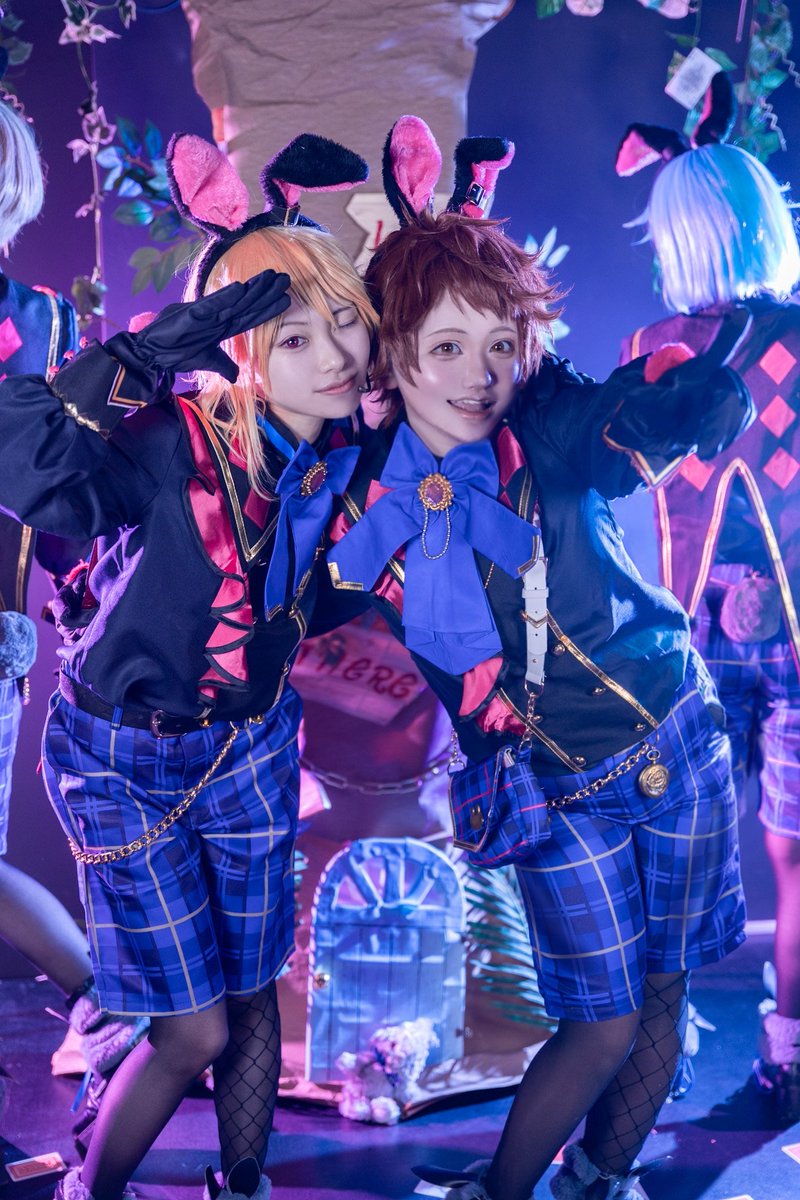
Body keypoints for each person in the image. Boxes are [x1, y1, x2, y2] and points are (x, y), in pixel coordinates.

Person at [326, 115, 752, 1200]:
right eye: (446, 349)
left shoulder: (551, 416)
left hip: (673, 730)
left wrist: (679, 396)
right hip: (553, 784)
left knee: (663, 994)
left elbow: (631, 424)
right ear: (396, 355)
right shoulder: (365, 493)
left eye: (498, 344)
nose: (479, 376)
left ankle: (595, 1180)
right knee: (599, 1020)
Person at [0, 130, 377, 1200]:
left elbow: (311, 597)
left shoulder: (350, 453)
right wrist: (151, 352)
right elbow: (26, 461)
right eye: (296, 335)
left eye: (345, 320)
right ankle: (90, 1188)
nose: (335, 354)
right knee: (192, 1029)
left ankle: (241, 1184)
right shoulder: (173, 436)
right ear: (242, 347)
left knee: (252, 991)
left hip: (249, 745)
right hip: (124, 757)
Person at [617, 72, 800, 1123]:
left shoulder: (659, 352)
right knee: (792, 858)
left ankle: (655, 1059)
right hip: (773, 626)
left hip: (689, 633)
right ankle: (786, 1059)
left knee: (677, 851)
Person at [0, 90, 148, 1094]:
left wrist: (80, 585)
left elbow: (61, 489)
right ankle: (115, 1004)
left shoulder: (38, 320)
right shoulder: (41, 319)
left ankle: (114, 1002)